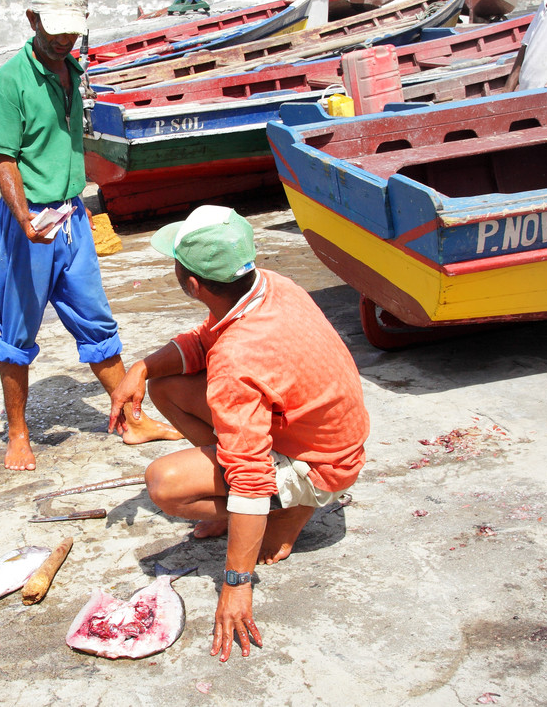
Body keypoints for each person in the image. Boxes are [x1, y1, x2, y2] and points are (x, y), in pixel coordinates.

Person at [109, 205, 369, 662]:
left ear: (190, 283)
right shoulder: (270, 286)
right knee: (166, 385)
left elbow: (248, 478)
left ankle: (289, 509)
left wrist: (235, 586)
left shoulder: (237, 361)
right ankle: (266, 501)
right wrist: (142, 367)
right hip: (322, 434)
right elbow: (203, 339)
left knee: (165, 484)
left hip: (324, 464)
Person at [0, 0, 181, 471]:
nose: (64, 41)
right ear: (32, 21)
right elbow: (4, 159)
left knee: (96, 320)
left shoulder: (75, 69)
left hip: (72, 215)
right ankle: (19, 434)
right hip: (29, 224)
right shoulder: (10, 81)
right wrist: (24, 217)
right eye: (55, 32)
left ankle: (131, 421)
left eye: (71, 32)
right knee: (17, 333)